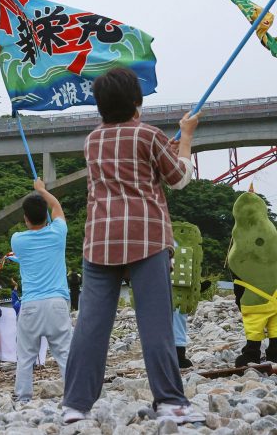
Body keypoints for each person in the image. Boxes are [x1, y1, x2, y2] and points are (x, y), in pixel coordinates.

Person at [61, 67, 204, 424]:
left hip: (100, 240)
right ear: (137, 103)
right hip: (147, 238)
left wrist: (161, 152)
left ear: (100, 107)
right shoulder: (149, 134)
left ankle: (75, 406)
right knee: (155, 323)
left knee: (91, 325)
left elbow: (130, 163)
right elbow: (180, 179)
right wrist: (185, 139)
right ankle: (170, 401)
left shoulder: (92, 140)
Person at [11, 178, 73, 403]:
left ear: (25, 219)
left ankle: (23, 398)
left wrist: (37, 193)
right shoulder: (58, 233)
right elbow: (57, 207)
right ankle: (73, 395)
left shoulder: (17, 240)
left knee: (26, 356)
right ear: (46, 216)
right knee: (64, 354)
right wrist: (42, 190)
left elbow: (52, 211)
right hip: (57, 302)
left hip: (30, 305)